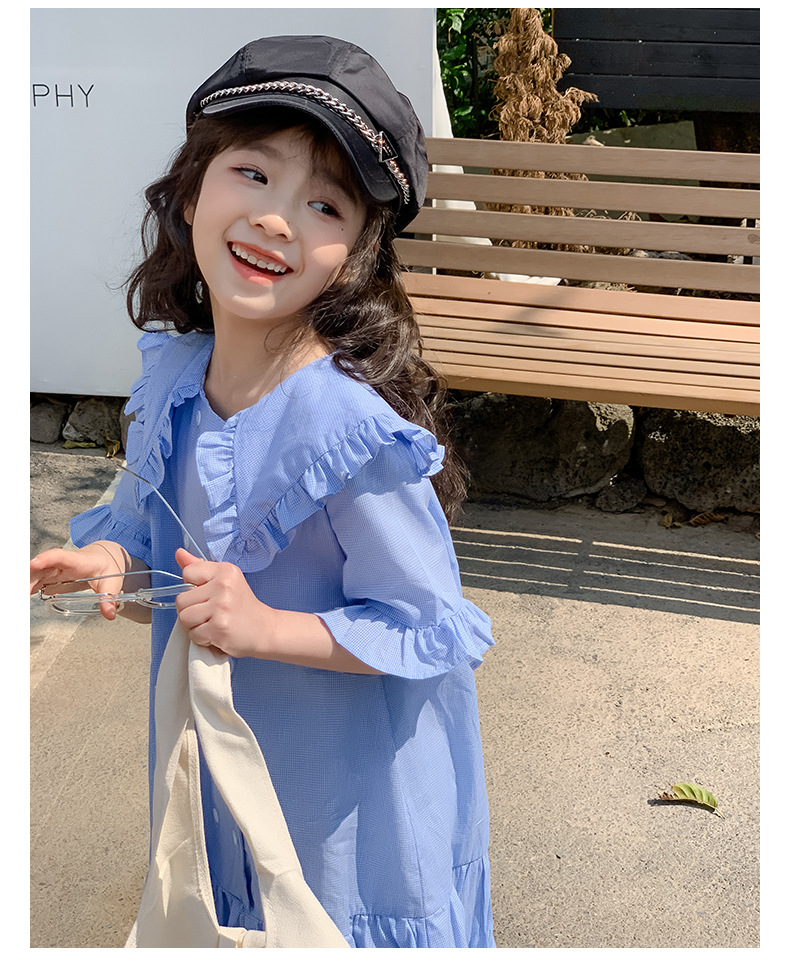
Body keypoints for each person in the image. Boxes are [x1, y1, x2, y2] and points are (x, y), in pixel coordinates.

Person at [30, 35, 495, 948]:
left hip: (348, 806)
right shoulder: (176, 378)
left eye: (325, 203)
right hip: (220, 772)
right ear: (191, 190)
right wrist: (112, 560)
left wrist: (264, 626)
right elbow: (159, 538)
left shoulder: (348, 430)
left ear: (354, 254)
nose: (278, 219)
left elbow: (430, 624)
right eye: (253, 172)